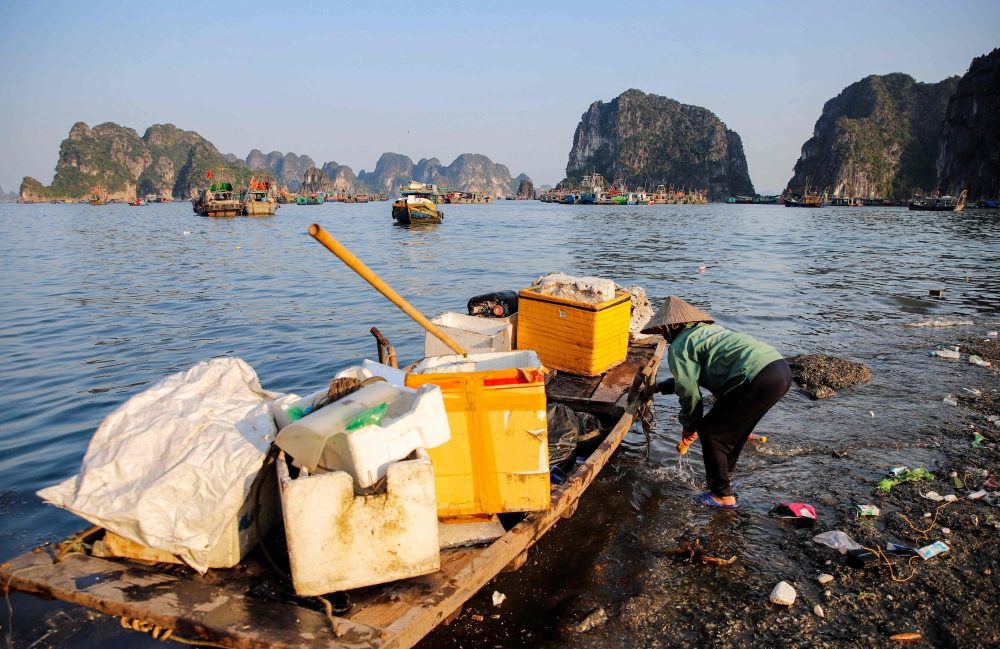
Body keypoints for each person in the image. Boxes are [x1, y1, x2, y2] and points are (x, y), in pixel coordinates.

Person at [641, 296, 791, 509]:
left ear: (674, 325)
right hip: (778, 369)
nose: (664, 337)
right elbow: (689, 377)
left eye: (663, 331)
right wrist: (658, 387)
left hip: (755, 377)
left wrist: (690, 426)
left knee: (711, 432)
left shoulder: (680, 344)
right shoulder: (705, 332)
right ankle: (724, 482)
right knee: (734, 432)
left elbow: (688, 391)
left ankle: (722, 496)